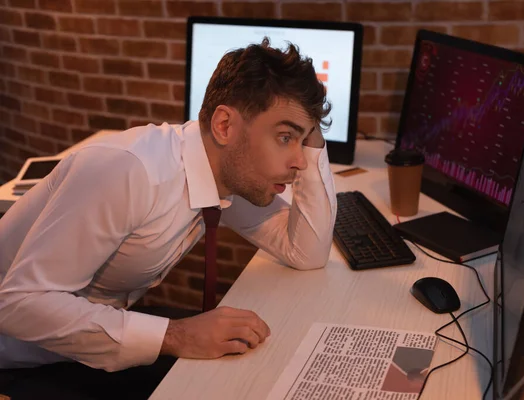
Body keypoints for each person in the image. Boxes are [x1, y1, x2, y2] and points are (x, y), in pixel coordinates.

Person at [0, 37, 337, 399]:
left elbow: (306, 252)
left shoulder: (224, 171)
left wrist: (312, 139)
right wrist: (176, 335)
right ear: (225, 125)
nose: (299, 160)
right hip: (21, 358)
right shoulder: (130, 171)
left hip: (90, 341)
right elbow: (17, 305)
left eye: (302, 141)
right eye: (285, 137)